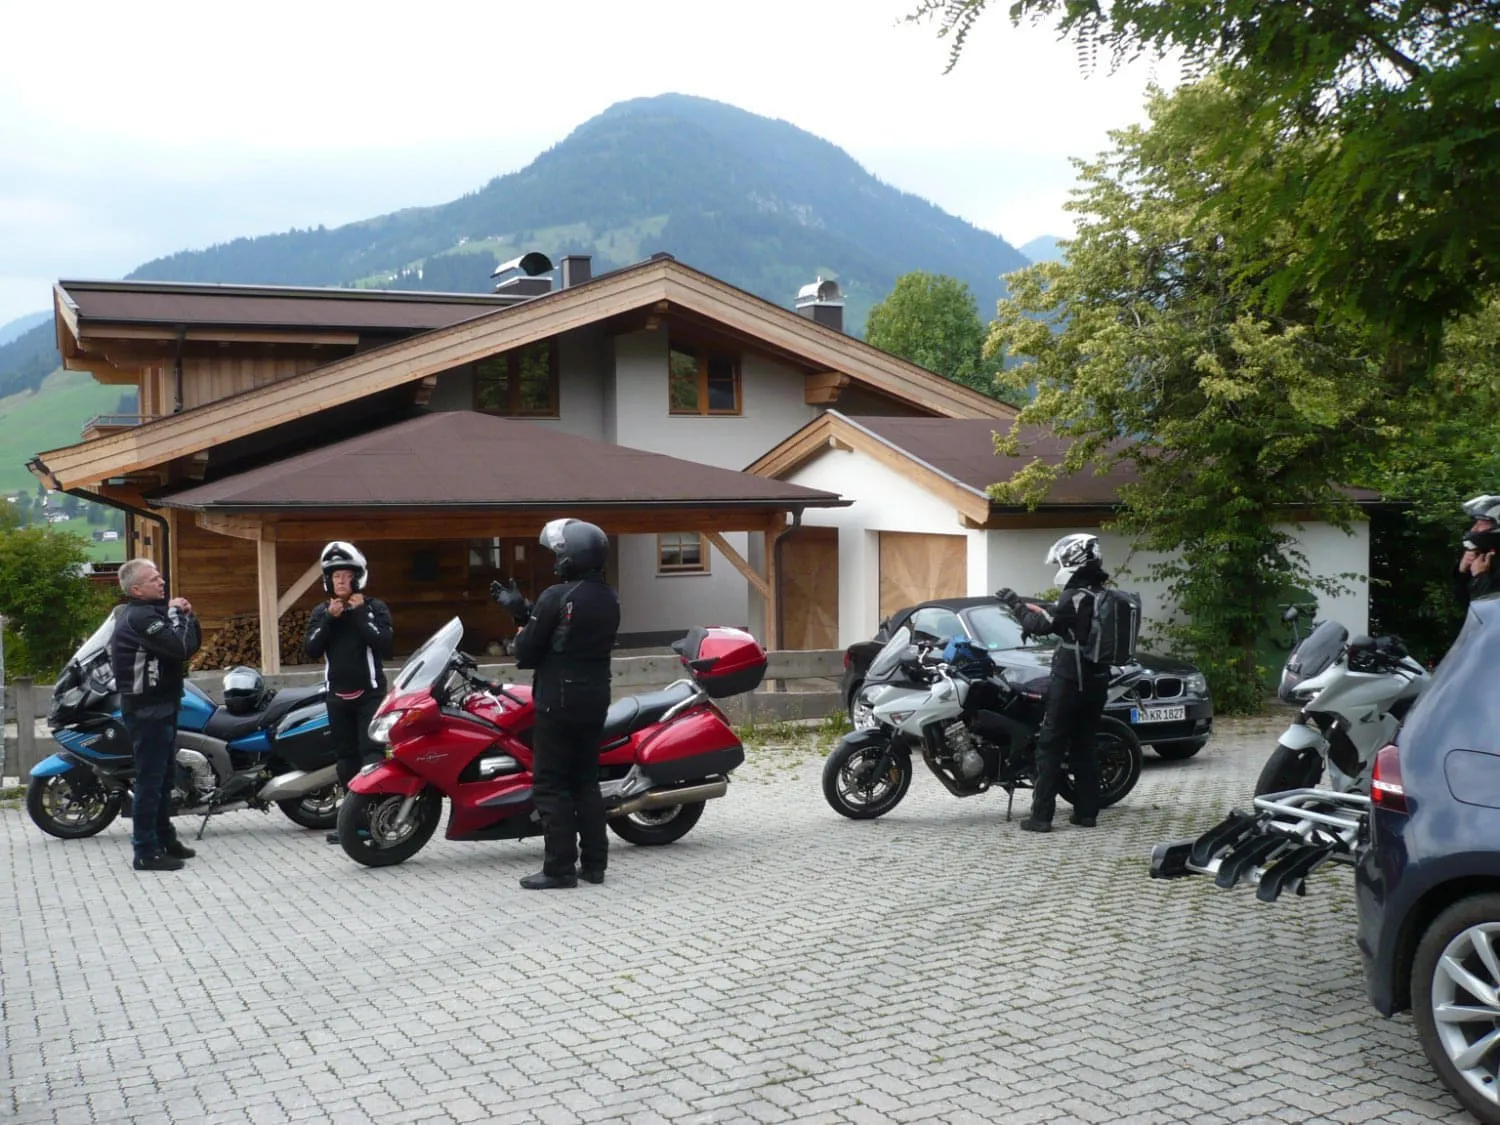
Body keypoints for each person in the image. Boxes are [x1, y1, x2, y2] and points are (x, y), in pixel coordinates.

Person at [492, 518, 620, 890]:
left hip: (558, 700)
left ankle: (559, 868)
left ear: (571, 556)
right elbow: (564, 632)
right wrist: (526, 611)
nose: (554, 561)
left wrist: (519, 618)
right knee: (586, 782)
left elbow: (527, 651)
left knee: (551, 784)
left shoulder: (555, 595)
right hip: (595, 696)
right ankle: (594, 865)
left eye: (557, 554)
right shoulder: (610, 597)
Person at [995, 532, 1114, 834]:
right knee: (1084, 745)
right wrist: (1045, 611)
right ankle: (1086, 814)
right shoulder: (1101, 594)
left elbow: (1042, 627)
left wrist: (1016, 605)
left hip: (1071, 679)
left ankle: (1041, 817)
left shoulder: (1073, 595)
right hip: (1098, 679)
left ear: (1072, 560)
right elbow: (1068, 624)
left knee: (1050, 746)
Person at [109, 557, 202, 871]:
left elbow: (187, 645)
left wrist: (188, 616)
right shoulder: (140, 617)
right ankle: (145, 851)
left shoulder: (151, 612)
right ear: (136, 589)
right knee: (150, 781)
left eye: (160, 577)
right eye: (153, 579)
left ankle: (165, 838)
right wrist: (176, 614)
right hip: (147, 709)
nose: (162, 582)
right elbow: (179, 648)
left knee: (164, 779)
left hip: (163, 704)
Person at [303, 541, 394, 843]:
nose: (341, 581)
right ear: (328, 581)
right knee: (346, 761)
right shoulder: (322, 612)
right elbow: (311, 648)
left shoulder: (374, 608)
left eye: (346, 576)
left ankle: (376, 819)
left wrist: (359, 613)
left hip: (370, 695)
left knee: (372, 758)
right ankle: (353, 823)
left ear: (357, 578)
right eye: (336, 576)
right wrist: (331, 618)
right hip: (337, 697)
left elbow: (385, 644)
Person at [1455, 494, 1500, 610]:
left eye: (1481, 524)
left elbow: (1492, 611)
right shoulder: (1488, 554)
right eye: (1475, 523)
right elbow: (1467, 606)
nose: (1474, 529)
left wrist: (1480, 576)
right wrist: (1462, 572)